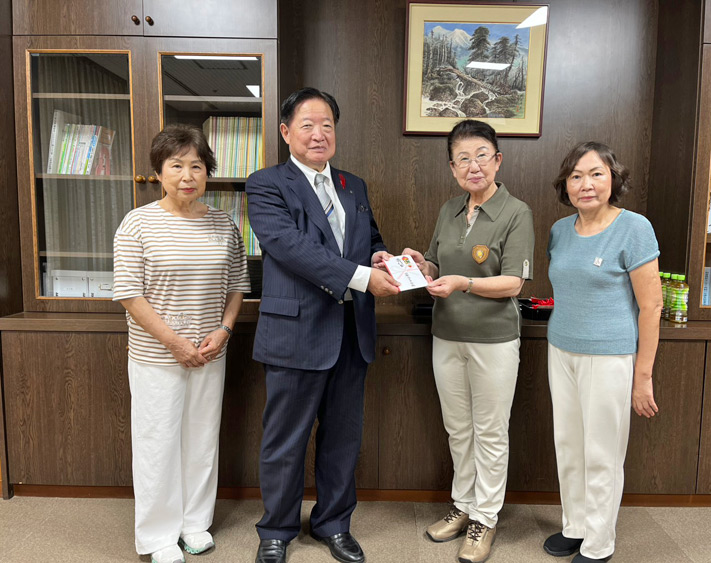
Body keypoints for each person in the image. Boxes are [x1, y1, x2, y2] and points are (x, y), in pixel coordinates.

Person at [246, 87, 400, 563]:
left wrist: (383, 258)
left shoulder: (353, 185)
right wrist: (363, 276)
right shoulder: (266, 183)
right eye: (307, 125)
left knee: (343, 439)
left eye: (327, 125)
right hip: (295, 332)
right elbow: (289, 246)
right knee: (285, 440)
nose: (319, 134)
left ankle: (333, 524)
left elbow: (369, 241)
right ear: (286, 131)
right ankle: (276, 530)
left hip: (352, 332)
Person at [113, 124, 251, 563]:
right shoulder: (138, 223)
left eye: (197, 166)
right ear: (159, 173)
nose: (188, 175)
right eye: (176, 166)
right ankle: (158, 536)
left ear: (207, 171)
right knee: (157, 443)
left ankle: (194, 523)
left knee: (201, 439)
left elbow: (237, 285)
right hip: (157, 355)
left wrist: (225, 330)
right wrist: (175, 343)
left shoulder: (223, 223)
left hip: (210, 353)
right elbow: (129, 294)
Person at [402, 119, 534, 563]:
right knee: (458, 428)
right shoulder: (449, 210)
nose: (472, 165)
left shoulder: (516, 212)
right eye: (462, 158)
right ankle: (463, 505)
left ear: (497, 160)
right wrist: (420, 264)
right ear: (452, 167)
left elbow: (514, 283)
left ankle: (486, 517)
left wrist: (464, 283)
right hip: (447, 335)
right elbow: (436, 265)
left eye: (481, 155)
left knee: (490, 431)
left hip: (494, 340)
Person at [543, 141, 662, 562]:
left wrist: (642, 377)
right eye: (576, 176)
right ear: (566, 185)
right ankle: (575, 527)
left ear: (614, 179)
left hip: (609, 356)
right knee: (569, 445)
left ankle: (598, 543)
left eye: (596, 174)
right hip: (561, 350)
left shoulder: (634, 228)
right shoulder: (560, 230)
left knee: (602, 452)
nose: (586, 184)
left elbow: (652, 306)